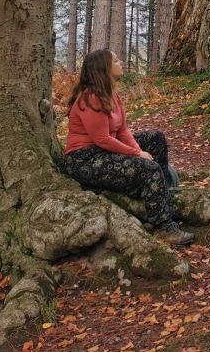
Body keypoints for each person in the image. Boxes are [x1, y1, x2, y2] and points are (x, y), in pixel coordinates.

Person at [63, 49, 194, 248]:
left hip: (104, 150)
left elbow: (122, 130)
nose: (121, 62)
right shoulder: (90, 98)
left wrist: (139, 150)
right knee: (148, 169)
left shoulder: (111, 94)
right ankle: (164, 228)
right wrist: (137, 154)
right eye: (116, 60)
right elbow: (102, 139)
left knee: (155, 139)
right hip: (85, 159)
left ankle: (159, 194)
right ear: (104, 68)